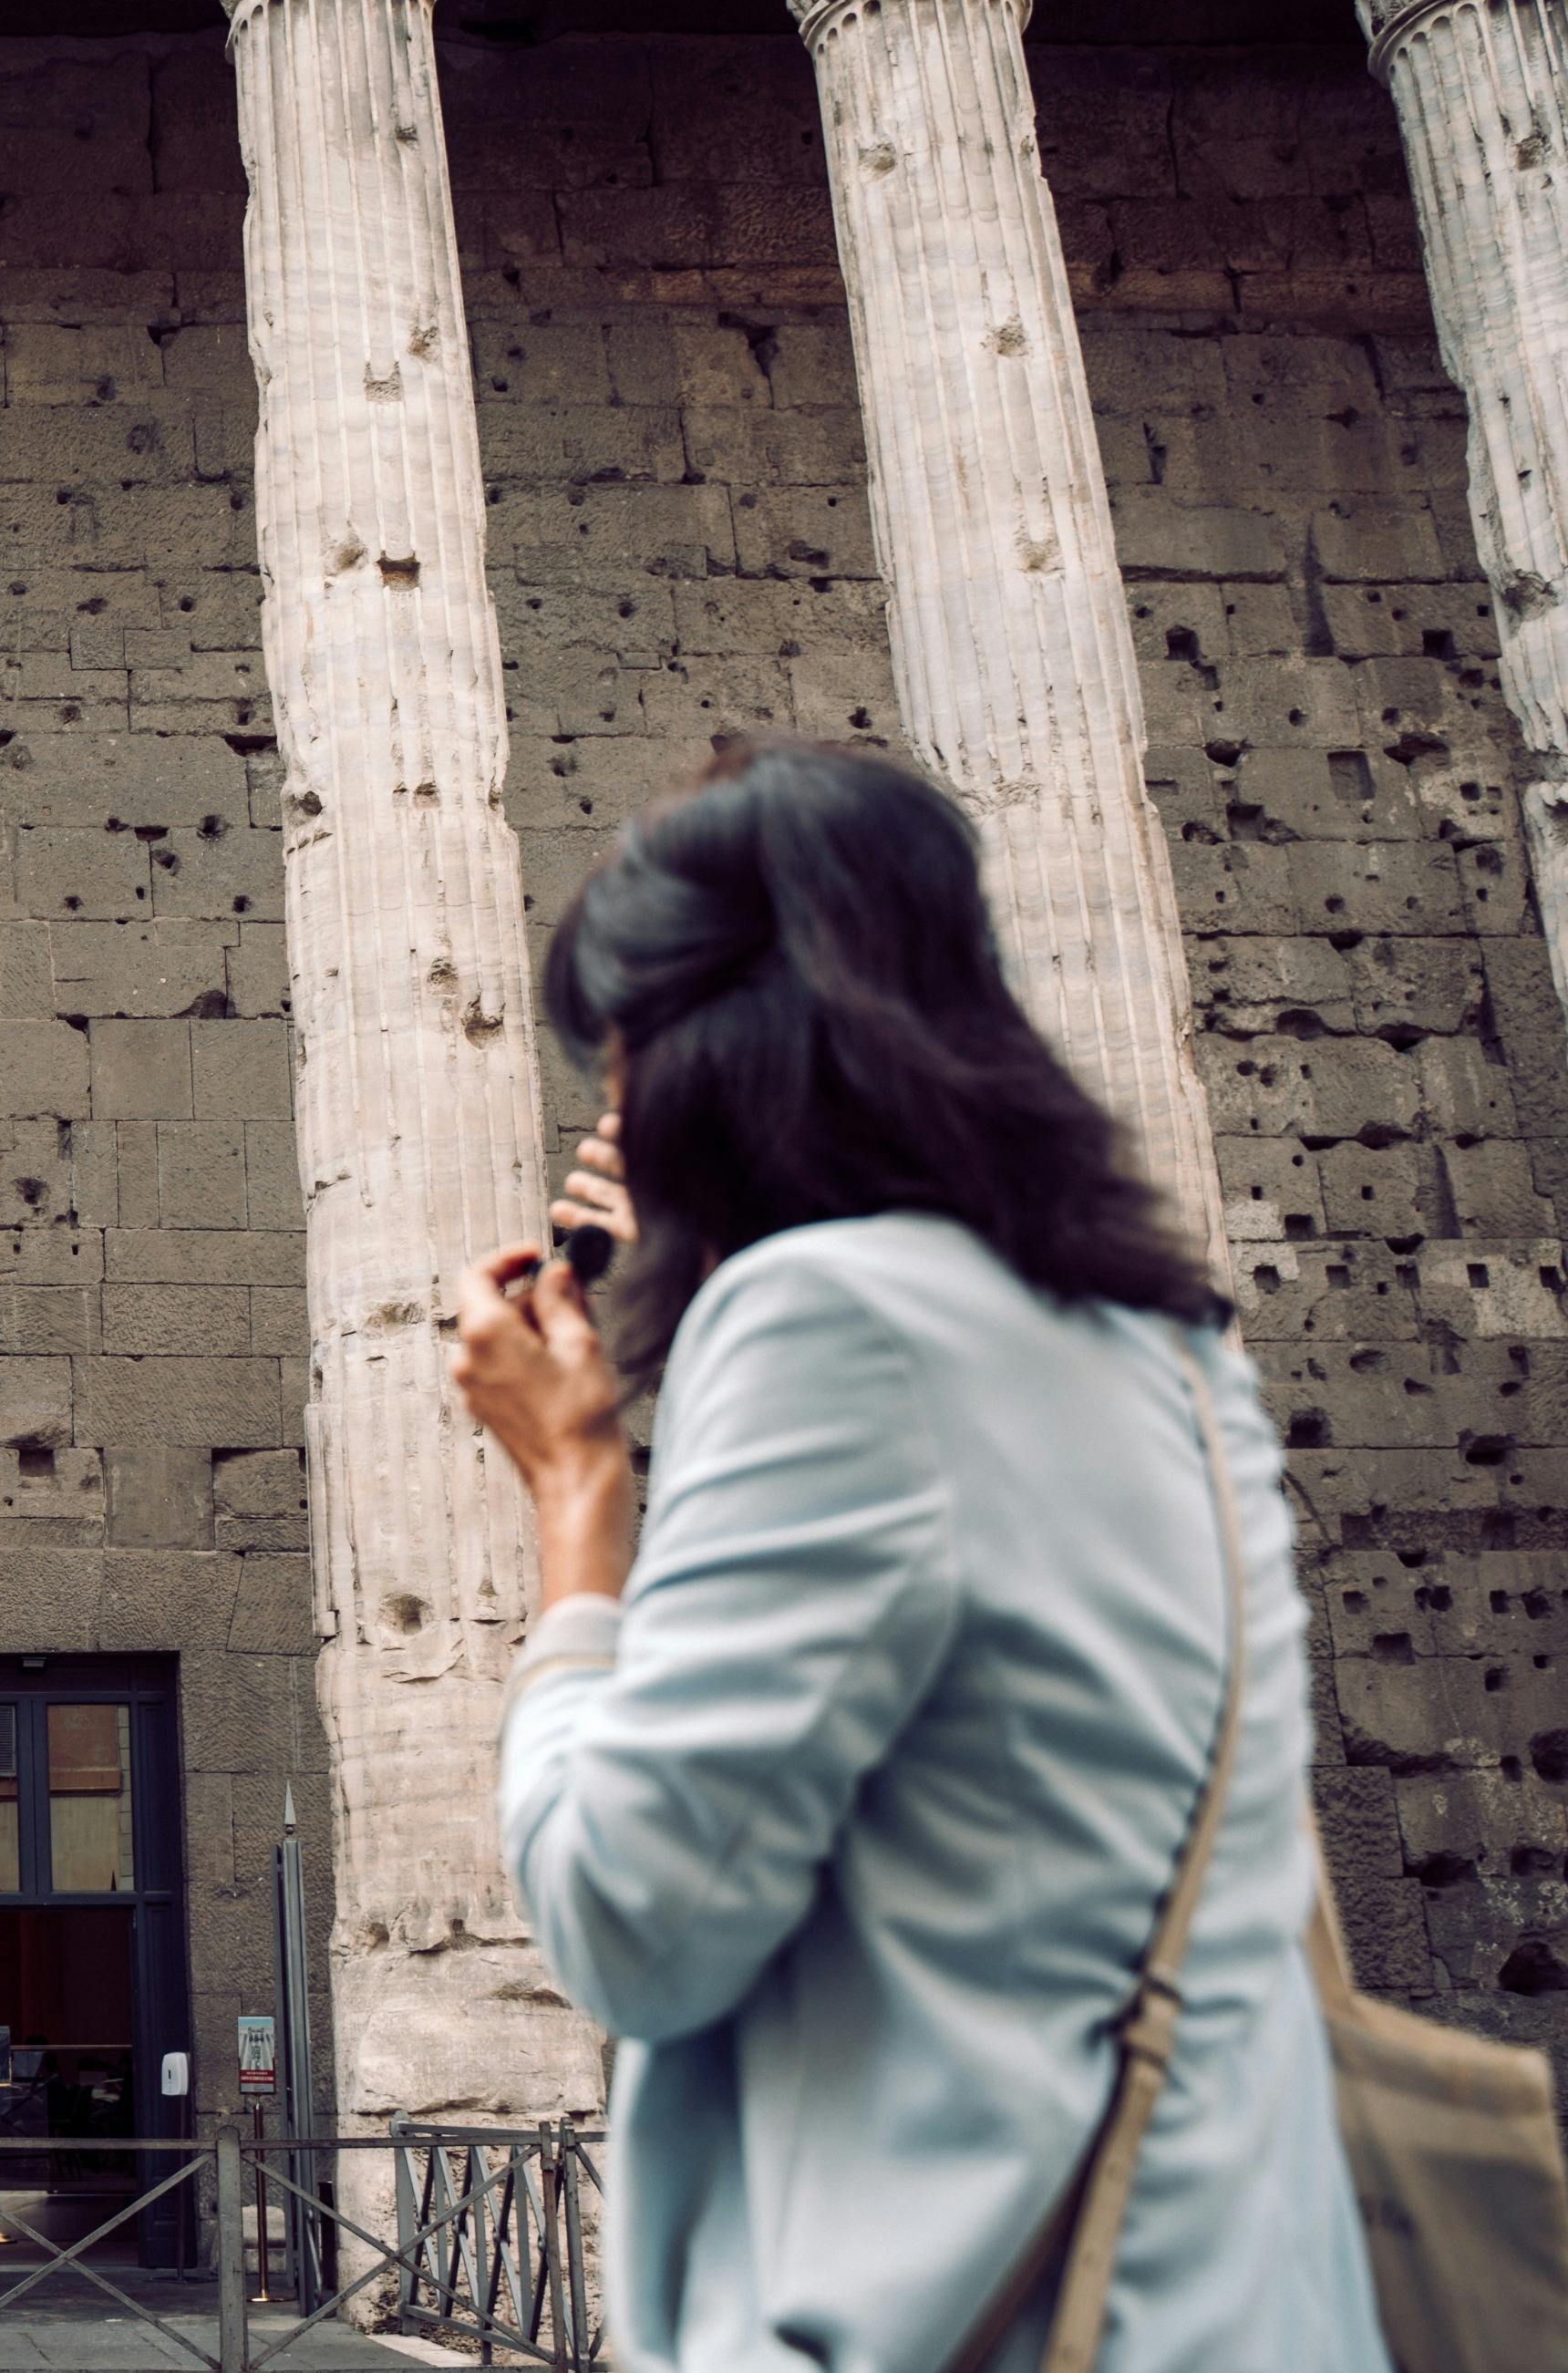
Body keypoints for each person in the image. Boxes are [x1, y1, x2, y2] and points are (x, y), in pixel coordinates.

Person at [449, 738, 1383, 2372]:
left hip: (956, 2316)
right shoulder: (1173, 1351)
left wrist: (578, 1489)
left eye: (620, 1061)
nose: (611, 1115)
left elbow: (633, 1920)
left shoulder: (823, 1324)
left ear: (721, 1053)